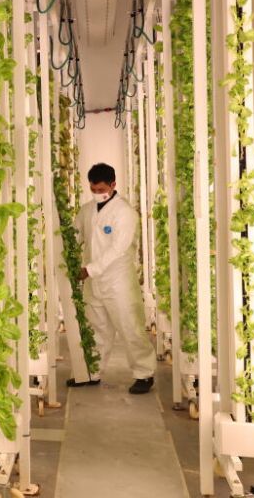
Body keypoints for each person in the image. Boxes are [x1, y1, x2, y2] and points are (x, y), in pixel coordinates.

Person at [69, 163, 157, 394]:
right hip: (94, 282)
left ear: (113, 184)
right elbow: (75, 234)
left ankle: (144, 374)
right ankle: (91, 372)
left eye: (101, 189)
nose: (98, 194)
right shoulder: (87, 210)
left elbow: (118, 249)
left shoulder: (125, 213)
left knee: (130, 328)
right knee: (95, 328)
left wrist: (90, 269)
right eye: (94, 190)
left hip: (119, 283)